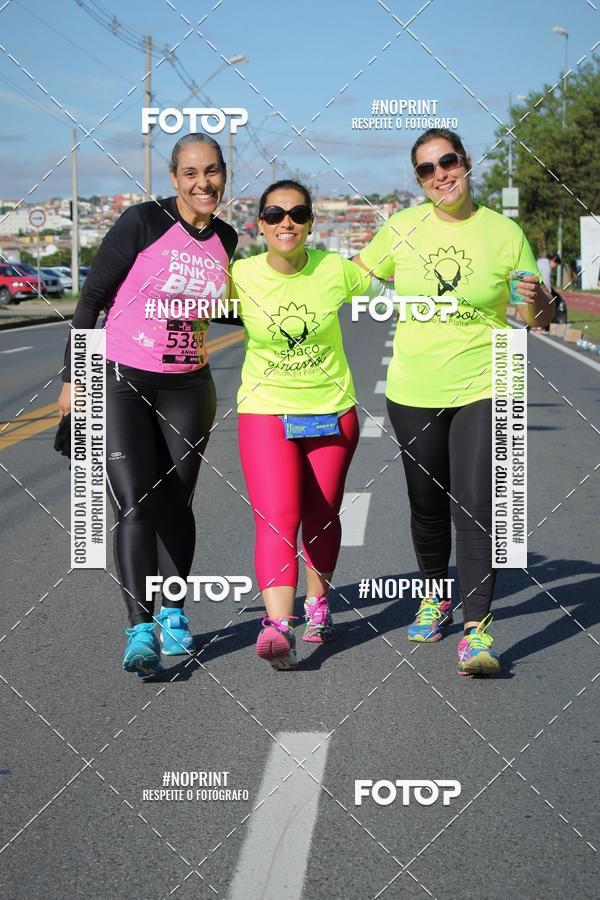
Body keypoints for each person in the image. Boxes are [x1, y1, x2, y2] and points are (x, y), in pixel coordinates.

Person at [354, 128, 554, 675]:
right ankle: (435, 595)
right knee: (426, 505)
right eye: (426, 169)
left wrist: (540, 303)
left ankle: (476, 631)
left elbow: (535, 319)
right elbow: (347, 282)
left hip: (484, 383)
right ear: (418, 181)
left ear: (466, 163)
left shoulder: (504, 232)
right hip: (413, 390)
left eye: (448, 162)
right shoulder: (401, 228)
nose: (440, 174)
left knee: (474, 502)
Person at [58, 134, 238, 676]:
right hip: (120, 379)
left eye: (211, 172)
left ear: (224, 174)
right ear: (174, 177)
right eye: (189, 173)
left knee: (176, 503)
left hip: (189, 386)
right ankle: (140, 629)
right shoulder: (141, 222)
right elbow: (91, 301)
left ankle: (174, 616)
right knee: (135, 501)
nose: (201, 183)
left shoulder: (227, 238)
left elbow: (232, 308)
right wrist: (72, 378)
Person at [231, 180, 381, 669]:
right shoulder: (238, 276)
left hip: (330, 411)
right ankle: (278, 625)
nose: (286, 222)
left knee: (322, 515)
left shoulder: (335, 270)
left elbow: (395, 284)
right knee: (278, 516)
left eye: (297, 214)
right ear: (260, 226)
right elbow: (178, 299)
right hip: (265, 411)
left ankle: (318, 602)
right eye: (274, 214)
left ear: (311, 222)